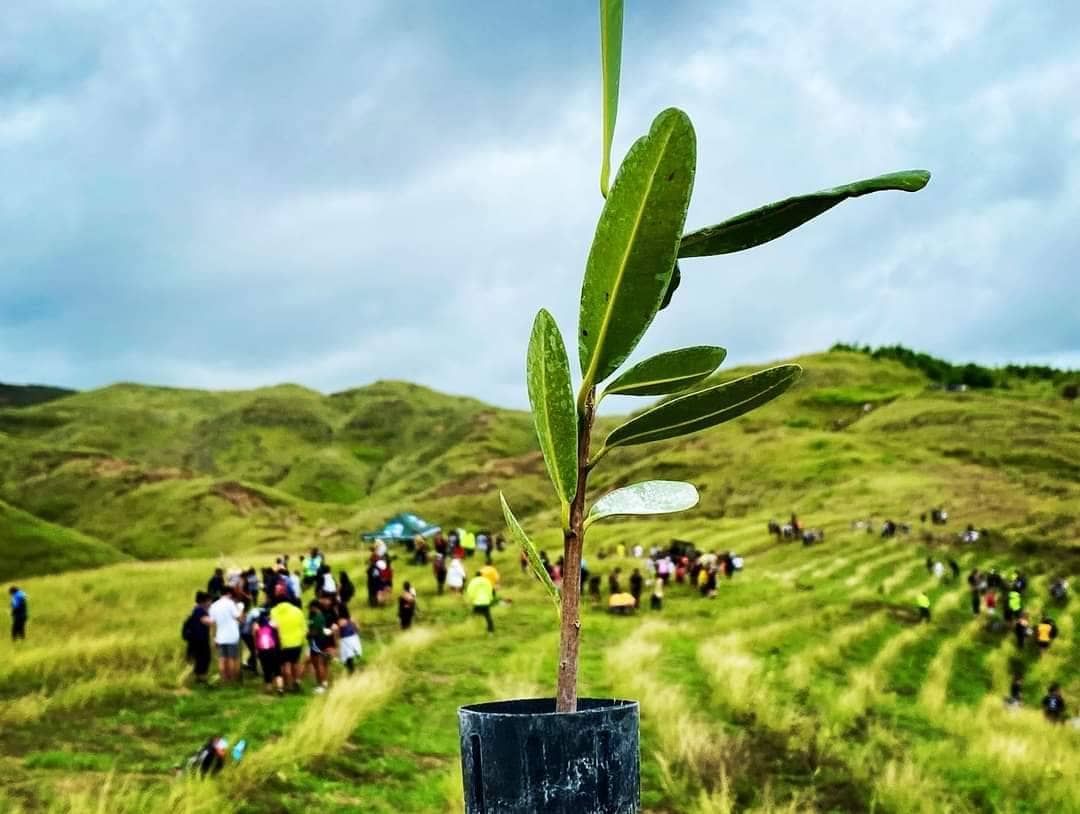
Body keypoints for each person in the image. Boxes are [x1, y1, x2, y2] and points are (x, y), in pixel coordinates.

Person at [270, 595, 306, 692]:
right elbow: (304, 628)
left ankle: (289, 685)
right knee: (295, 663)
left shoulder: (274, 611)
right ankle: (297, 681)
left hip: (283, 643)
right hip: (297, 642)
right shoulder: (298, 611)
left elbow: (273, 627)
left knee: (286, 665)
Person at [182, 591, 213, 682]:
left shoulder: (196, 609)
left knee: (200, 659)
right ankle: (199, 678)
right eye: (209, 601)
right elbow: (207, 621)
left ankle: (199, 678)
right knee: (203, 658)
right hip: (200, 639)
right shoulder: (200, 610)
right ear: (205, 601)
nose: (210, 603)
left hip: (196, 639)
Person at [307, 599, 334, 693]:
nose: (309, 610)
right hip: (318, 642)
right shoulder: (317, 616)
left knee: (318, 664)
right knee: (318, 664)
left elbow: (314, 632)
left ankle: (321, 685)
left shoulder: (317, 617)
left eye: (310, 608)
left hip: (317, 643)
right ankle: (321, 684)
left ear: (314, 607)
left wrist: (307, 634)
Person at [253, 611, 283, 694]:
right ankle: (280, 688)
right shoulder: (274, 623)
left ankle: (269, 688)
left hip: (262, 651)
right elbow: (279, 637)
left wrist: (256, 650)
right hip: (274, 649)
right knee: (277, 670)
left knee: (266, 670)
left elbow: (255, 639)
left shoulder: (256, 626)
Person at [337, 604, 362, 675]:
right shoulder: (351, 618)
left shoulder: (340, 621)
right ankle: (353, 671)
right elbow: (358, 628)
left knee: (347, 659)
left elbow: (337, 633)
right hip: (354, 638)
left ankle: (352, 672)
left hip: (345, 640)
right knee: (350, 659)